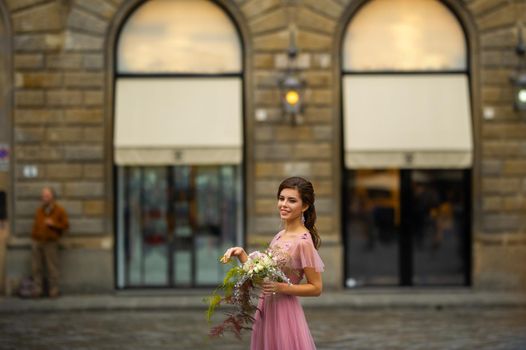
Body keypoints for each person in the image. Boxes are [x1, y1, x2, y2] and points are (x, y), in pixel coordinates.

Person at [222, 176, 324, 350]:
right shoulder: (279, 236)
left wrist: (282, 288)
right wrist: (242, 255)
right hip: (266, 308)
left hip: (285, 312)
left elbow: (316, 288)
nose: (283, 204)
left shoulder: (303, 242)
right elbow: (263, 278)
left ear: (304, 206)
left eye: (291, 200)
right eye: (281, 198)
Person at [31, 187, 69, 298]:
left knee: (52, 268)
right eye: (43, 196)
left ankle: (54, 291)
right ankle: (38, 290)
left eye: (46, 196)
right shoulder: (39, 210)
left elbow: (66, 226)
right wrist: (34, 236)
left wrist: (54, 224)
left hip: (51, 243)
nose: (44, 198)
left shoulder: (59, 210)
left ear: (52, 197)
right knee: (36, 267)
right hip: (37, 241)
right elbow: (35, 224)